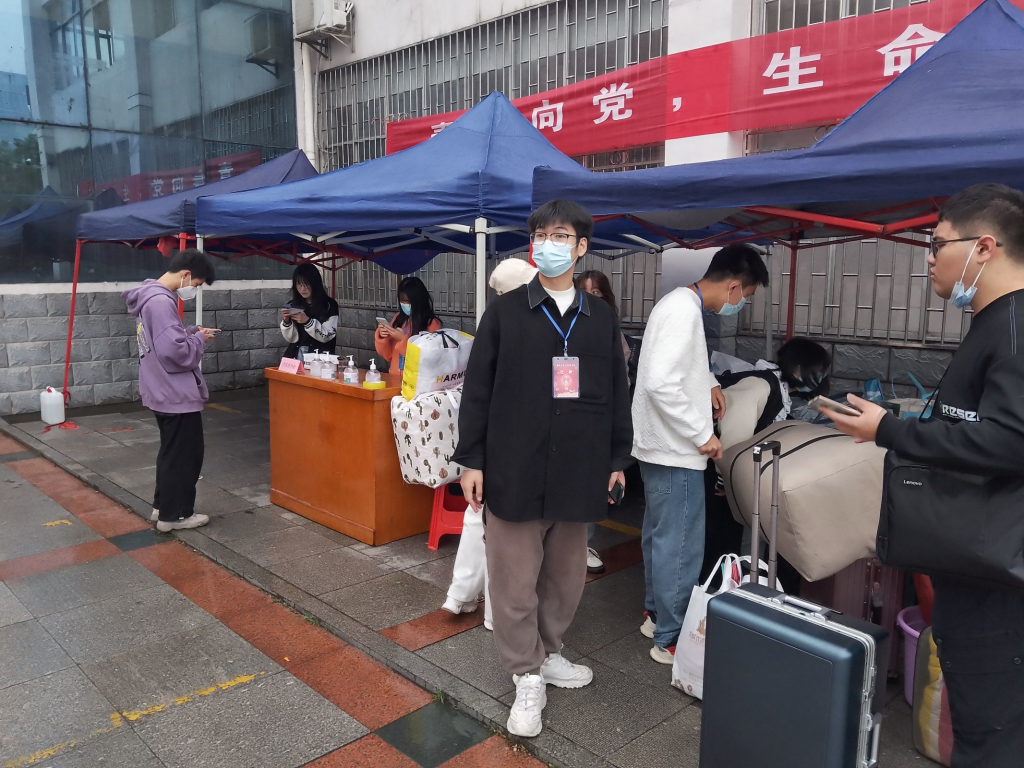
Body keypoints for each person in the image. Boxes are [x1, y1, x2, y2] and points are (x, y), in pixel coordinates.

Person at [823, 184, 1024, 768]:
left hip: (999, 587)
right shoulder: (994, 322)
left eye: (937, 244)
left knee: (992, 739)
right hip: (977, 568)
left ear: (984, 247)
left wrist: (890, 430)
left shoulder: (1015, 328)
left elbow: (1011, 441)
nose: (929, 258)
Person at [454, 200, 632, 738]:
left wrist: (618, 460)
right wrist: (472, 459)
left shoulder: (600, 318)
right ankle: (525, 675)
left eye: (560, 236)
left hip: (579, 468)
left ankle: (548, 652)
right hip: (515, 467)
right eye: (540, 235)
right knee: (513, 583)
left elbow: (616, 393)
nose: (547, 244)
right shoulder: (505, 313)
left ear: (581, 247)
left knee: (565, 578)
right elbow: (476, 390)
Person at [631, 243, 769, 664]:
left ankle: (657, 616)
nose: (740, 305)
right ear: (733, 287)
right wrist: (701, 435)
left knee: (660, 537)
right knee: (681, 547)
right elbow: (660, 382)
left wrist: (708, 381)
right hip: (676, 449)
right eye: (745, 297)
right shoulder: (684, 312)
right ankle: (671, 638)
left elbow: (674, 365)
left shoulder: (678, 303)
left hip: (658, 447)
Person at [442, 258, 539, 630]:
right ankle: (494, 612)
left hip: (495, 441)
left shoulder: (496, 320)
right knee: (507, 532)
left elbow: (476, 393)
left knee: (477, 518)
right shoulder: (527, 323)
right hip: (518, 444)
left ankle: (462, 595)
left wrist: (473, 457)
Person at [123, 249, 218, 533]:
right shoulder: (162, 301)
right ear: (186, 274)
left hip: (159, 389)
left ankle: (162, 506)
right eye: (196, 284)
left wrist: (190, 333)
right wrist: (198, 341)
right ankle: (175, 515)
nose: (194, 290)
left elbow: (163, 341)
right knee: (185, 456)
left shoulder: (149, 297)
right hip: (175, 393)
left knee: (170, 452)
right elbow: (175, 353)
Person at [577, 269, 633, 575]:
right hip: (563, 418)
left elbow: (620, 386)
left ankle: (582, 546)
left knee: (591, 485)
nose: (590, 297)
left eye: (596, 292)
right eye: (584, 291)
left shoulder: (613, 334)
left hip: (597, 421)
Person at [374, 276, 442, 371]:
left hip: (417, 377)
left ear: (419, 300)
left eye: (408, 301)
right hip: (395, 375)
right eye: (402, 301)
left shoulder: (432, 323)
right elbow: (387, 355)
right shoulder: (398, 318)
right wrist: (383, 337)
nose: (404, 304)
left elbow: (427, 358)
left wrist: (403, 339)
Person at [279, 262, 339, 358]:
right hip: (295, 356)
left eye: (306, 284)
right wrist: (287, 322)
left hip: (320, 358)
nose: (303, 288)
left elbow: (327, 336)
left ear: (315, 283)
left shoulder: (329, 305)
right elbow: (291, 339)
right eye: (299, 284)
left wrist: (307, 321)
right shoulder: (292, 305)